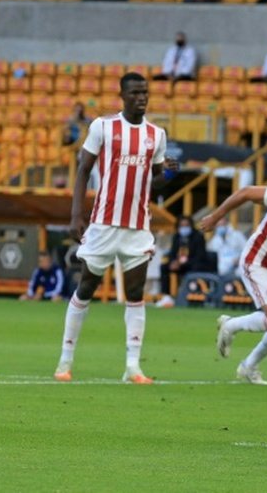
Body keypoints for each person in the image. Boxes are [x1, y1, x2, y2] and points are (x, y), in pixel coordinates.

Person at [54, 72, 177, 384]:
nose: (141, 97)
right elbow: (83, 169)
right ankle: (65, 361)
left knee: (136, 293)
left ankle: (132, 366)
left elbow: (154, 184)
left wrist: (169, 174)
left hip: (137, 226)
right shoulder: (103, 127)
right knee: (86, 288)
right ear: (122, 95)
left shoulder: (156, 134)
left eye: (145, 92)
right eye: (135, 92)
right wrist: (75, 215)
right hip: (103, 223)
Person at [201, 185, 267, 386]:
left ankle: (249, 366)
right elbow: (245, 192)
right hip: (257, 262)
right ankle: (231, 326)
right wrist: (215, 217)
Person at [163, 215, 211, 293]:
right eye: (182, 226)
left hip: (193, 264)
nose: (184, 228)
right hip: (180, 265)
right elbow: (172, 253)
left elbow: (200, 256)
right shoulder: (176, 237)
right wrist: (173, 262)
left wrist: (183, 263)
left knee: (196, 267)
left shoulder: (198, 236)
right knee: (164, 267)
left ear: (191, 226)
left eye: (186, 225)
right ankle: (166, 295)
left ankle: (193, 292)